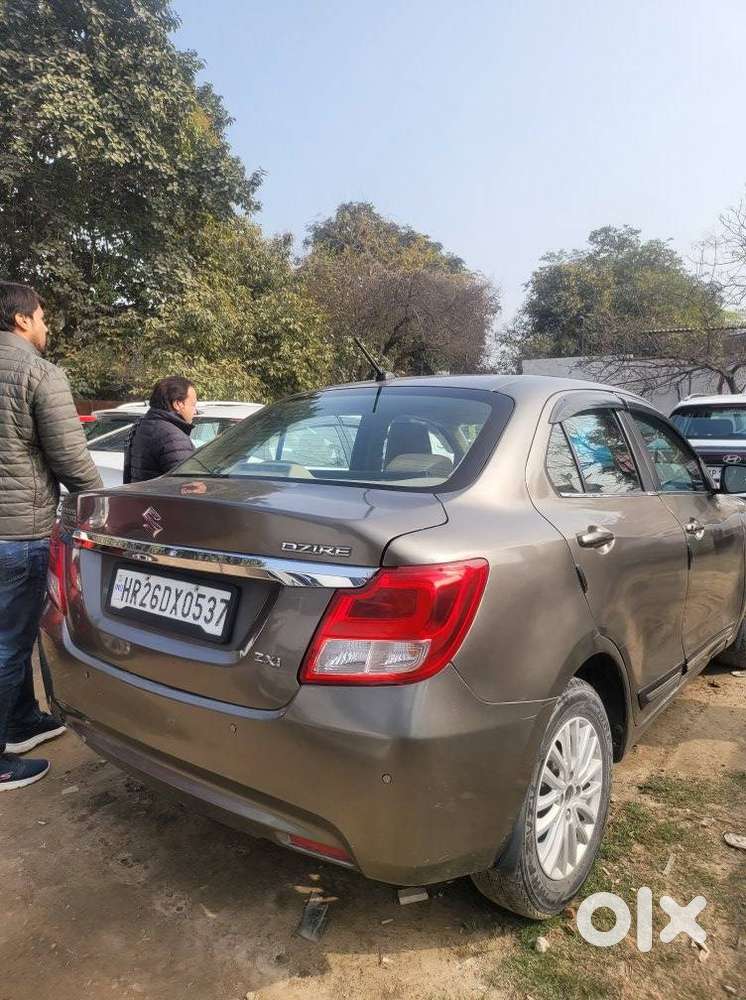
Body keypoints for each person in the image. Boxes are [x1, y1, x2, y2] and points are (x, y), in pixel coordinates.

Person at [0, 282, 103, 791]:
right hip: (17, 533)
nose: (45, 325)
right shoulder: (37, 373)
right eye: (41, 316)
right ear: (21, 320)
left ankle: (21, 724)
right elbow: (71, 459)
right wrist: (101, 509)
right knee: (7, 644)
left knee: (8, 640)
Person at [124, 376, 197, 484]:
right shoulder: (172, 437)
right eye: (193, 405)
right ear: (178, 404)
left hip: (145, 498)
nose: (195, 411)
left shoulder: (142, 425)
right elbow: (189, 486)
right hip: (164, 500)